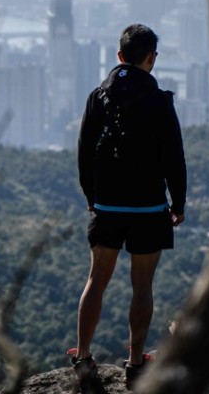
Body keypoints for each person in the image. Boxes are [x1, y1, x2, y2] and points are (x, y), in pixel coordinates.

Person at [70, 24, 187, 389]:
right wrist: (178, 203)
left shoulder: (97, 96)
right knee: (142, 287)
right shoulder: (159, 100)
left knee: (96, 280)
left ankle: (84, 356)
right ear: (151, 58)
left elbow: (84, 151)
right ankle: (136, 364)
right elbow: (174, 157)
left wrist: (91, 195)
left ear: (120, 57)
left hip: (106, 206)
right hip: (150, 209)